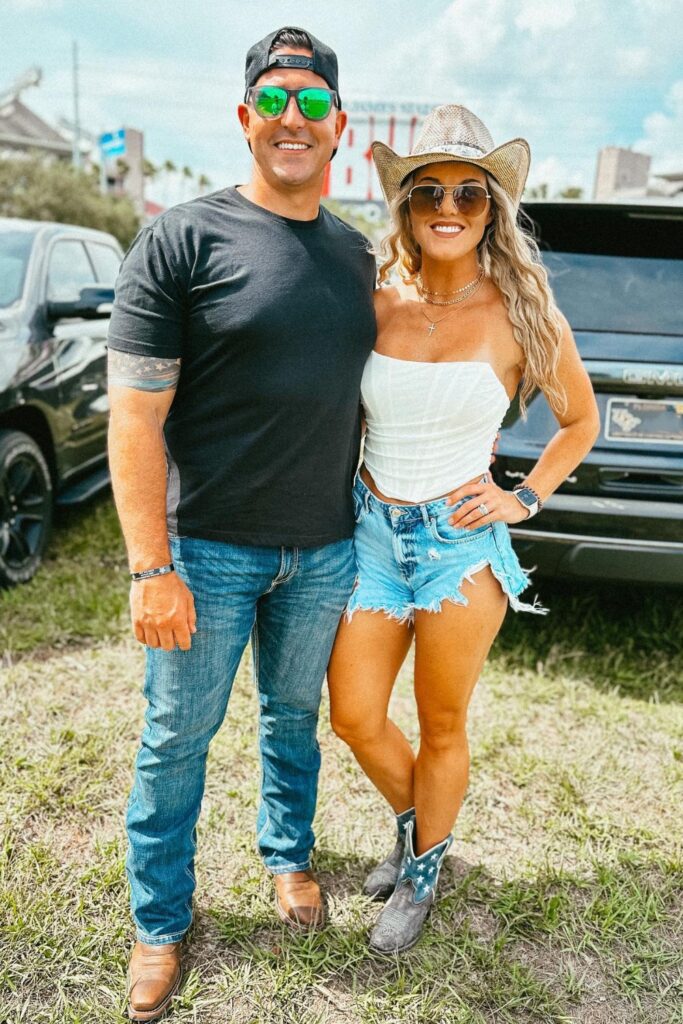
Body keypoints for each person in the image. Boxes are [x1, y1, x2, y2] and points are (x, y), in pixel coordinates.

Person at [106, 27, 376, 1022]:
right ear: (244, 118)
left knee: (291, 720)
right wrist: (151, 567)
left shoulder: (356, 255)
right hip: (205, 550)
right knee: (176, 740)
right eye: (275, 100)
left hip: (326, 548)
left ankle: (287, 856)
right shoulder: (181, 239)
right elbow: (132, 413)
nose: (292, 118)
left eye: (312, 104)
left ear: (338, 126)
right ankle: (158, 922)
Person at [328, 104, 600, 954]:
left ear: (491, 210)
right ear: (406, 206)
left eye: (469, 194)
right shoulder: (371, 301)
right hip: (369, 532)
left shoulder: (525, 316)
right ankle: (420, 831)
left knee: (442, 723)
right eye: (429, 191)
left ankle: (420, 875)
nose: (448, 207)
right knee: (353, 715)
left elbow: (578, 423)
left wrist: (524, 498)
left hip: (458, 547)